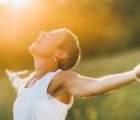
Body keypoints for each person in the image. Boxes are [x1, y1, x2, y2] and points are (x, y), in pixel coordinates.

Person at [6, 28, 140, 120]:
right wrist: (14, 78)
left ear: (60, 53)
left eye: (51, 35)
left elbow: (95, 86)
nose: (42, 32)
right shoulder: (30, 81)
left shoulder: (60, 79)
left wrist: (134, 74)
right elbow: (21, 88)